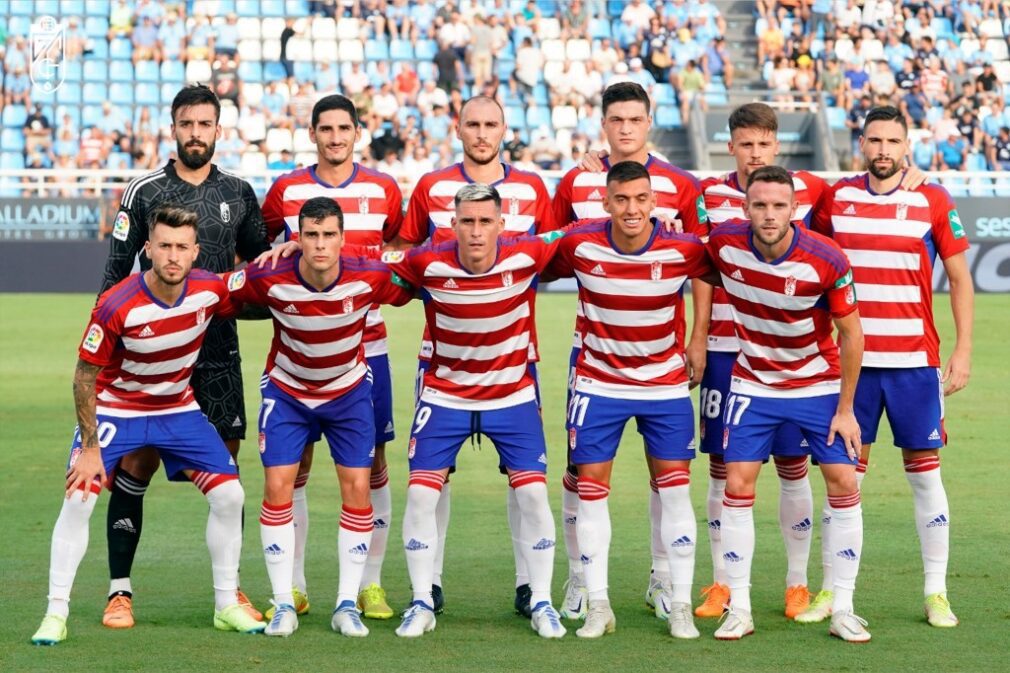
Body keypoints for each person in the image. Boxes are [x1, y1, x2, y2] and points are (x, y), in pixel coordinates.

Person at [30, 206, 265, 646]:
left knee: (231, 495)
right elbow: (84, 375)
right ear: (148, 248)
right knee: (79, 498)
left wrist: (289, 257)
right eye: (164, 246)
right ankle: (54, 613)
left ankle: (225, 604)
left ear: (196, 252)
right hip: (119, 409)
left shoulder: (209, 289)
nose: (173, 256)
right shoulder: (117, 303)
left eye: (182, 247)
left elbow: (256, 287)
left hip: (178, 408)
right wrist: (90, 447)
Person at [97, 84, 269, 629]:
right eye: (187, 123)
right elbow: (113, 275)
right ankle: (119, 591)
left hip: (216, 355)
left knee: (227, 476)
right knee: (135, 465)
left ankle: (230, 592)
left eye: (205, 124)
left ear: (219, 130)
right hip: (149, 358)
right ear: (173, 127)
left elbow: (261, 273)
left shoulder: (239, 192)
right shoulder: (143, 191)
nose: (196, 133)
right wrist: (105, 357)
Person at [388, 95, 556, 618]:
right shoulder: (431, 186)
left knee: (523, 478)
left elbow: (554, 250)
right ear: (457, 128)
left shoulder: (531, 187)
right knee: (433, 480)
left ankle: (530, 584)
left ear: (505, 127)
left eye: (491, 123)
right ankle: (429, 584)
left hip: (515, 360)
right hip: (443, 363)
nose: (482, 133)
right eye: (473, 124)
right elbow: (405, 255)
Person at [809, 106, 973, 629]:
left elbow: (960, 277)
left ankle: (936, 592)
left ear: (907, 146)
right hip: (852, 368)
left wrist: (963, 349)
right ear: (861, 144)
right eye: (874, 140)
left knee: (925, 478)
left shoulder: (932, 197)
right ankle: (835, 592)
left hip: (914, 365)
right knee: (843, 479)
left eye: (893, 141)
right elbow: (810, 265)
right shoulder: (836, 199)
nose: (883, 149)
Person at [551, 81, 708, 622]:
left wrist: (698, 339)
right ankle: (579, 578)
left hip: (663, 353)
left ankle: (663, 579)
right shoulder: (576, 180)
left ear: (648, 122)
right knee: (582, 471)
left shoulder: (683, 186)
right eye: (615, 119)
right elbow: (548, 248)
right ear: (603, 124)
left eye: (634, 119)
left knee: (664, 473)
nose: (624, 129)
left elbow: (703, 265)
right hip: (592, 352)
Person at [228, 198, 413, 638]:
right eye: (310, 235)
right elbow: (217, 290)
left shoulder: (366, 275)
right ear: (297, 238)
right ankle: (283, 604)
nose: (320, 245)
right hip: (287, 392)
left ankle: (346, 604)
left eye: (329, 235)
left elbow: (416, 278)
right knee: (278, 485)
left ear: (342, 238)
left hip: (348, 393)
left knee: (357, 487)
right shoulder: (268, 274)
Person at [706, 165, 869, 643]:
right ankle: (739, 606)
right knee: (737, 482)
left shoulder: (827, 258)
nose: (769, 214)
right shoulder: (724, 244)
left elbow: (853, 335)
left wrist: (845, 409)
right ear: (745, 208)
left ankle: (843, 605)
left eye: (779, 205)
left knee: (842, 478)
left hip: (816, 384)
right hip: (753, 383)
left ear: (794, 209)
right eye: (760, 205)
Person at [261, 94, 405, 621]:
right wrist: (280, 250)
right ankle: (294, 586)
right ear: (313, 133)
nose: (336, 137)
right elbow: (260, 249)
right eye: (326, 128)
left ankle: (369, 584)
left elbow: (398, 253)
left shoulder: (384, 188)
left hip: (369, 348)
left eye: (344, 128)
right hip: (301, 352)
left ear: (357, 133)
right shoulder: (286, 189)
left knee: (374, 465)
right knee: (293, 465)